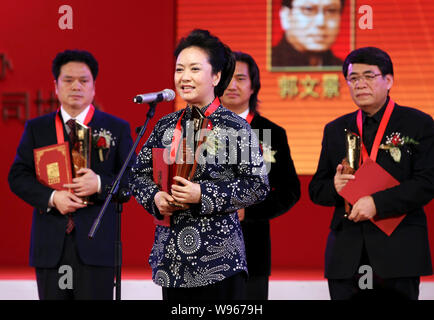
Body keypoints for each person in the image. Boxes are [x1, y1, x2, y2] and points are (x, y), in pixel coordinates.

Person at [129, 29, 270, 300]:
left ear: (215, 76)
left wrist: (202, 195)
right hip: (172, 261)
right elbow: (139, 175)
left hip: (219, 262)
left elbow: (257, 186)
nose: (184, 77)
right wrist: (155, 197)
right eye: (179, 69)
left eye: (195, 68)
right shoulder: (164, 126)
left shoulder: (234, 126)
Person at [309, 46, 434, 300]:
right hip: (347, 252)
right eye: (353, 78)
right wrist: (335, 186)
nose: (360, 84)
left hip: (398, 250)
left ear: (389, 80)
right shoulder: (335, 129)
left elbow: (427, 182)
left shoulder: (418, 123)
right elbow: (316, 190)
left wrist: (377, 203)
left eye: (369, 76)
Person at [8, 49, 133, 300]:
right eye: (68, 80)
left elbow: (132, 181)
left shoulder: (116, 128)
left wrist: (98, 183)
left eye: (83, 81)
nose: (76, 86)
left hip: (96, 246)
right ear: (55, 86)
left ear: (94, 87)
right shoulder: (37, 128)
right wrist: (53, 197)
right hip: (50, 245)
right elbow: (17, 176)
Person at [220, 51, 300, 299]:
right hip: (202, 249)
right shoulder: (197, 128)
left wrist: (249, 212)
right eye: (227, 78)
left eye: (241, 78)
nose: (233, 85)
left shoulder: (272, 132)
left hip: (251, 249)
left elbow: (289, 191)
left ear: (254, 86)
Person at [272, 0, 345, 67]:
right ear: (286, 16)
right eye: (308, 9)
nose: (321, 23)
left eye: (331, 11)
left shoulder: (344, 69)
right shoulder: (269, 63)